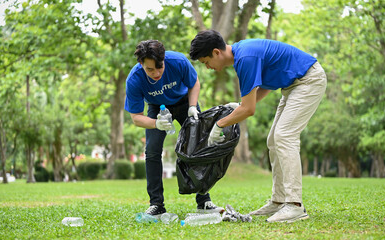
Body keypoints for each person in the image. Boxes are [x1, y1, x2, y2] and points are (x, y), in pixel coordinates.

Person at [189, 30, 327, 223]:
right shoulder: (242, 55)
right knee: (273, 140)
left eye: (206, 62)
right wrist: (239, 106)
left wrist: (219, 126)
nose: (208, 67)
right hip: (291, 87)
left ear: (216, 52)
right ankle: (279, 201)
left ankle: (294, 205)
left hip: (308, 80)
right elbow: (265, 86)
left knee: (284, 136)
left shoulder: (245, 58)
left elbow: (249, 110)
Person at [124, 40, 224, 218]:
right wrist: (156, 123)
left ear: (163, 59)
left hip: (186, 101)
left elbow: (194, 83)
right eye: (150, 69)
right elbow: (136, 118)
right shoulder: (134, 79)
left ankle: (204, 201)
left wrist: (193, 106)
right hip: (158, 108)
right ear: (141, 64)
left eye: (159, 67)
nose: (156, 73)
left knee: (198, 147)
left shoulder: (178, 61)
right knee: (152, 151)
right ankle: (156, 204)